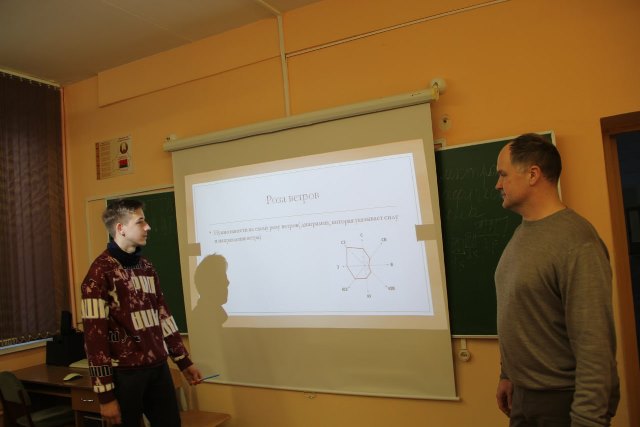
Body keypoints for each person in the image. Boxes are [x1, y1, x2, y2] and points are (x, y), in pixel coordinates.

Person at [493, 133, 620, 426]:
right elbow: (522, 311)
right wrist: (508, 374)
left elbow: (595, 345)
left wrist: (588, 420)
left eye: (503, 174)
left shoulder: (577, 242)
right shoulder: (522, 232)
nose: (498, 184)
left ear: (533, 174)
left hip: (561, 402)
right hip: (524, 396)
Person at [81, 199, 202, 426]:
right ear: (121, 228)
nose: (148, 227)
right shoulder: (99, 273)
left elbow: (163, 316)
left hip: (157, 368)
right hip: (125, 375)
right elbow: (94, 340)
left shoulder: (146, 267)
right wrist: (105, 396)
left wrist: (184, 362)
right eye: (140, 222)